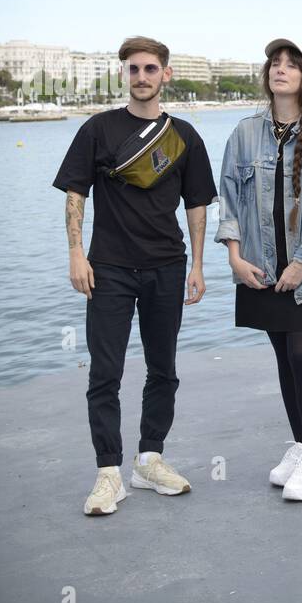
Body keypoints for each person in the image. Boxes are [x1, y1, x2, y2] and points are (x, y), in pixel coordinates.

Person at [53, 36, 218, 516]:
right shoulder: (98, 130)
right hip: (108, 268)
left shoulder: (183, 135)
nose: (141, 77)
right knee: (105, 372)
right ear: (124, 74)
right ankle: (108, 474)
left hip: (167, 266)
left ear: (165, 74)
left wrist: (199, 266)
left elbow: (198, 203)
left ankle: (149, 459)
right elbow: (75, 194)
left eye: (150, 69)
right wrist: (75, 254)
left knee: (163, 368)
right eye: (133, 69)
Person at [215, 39, 302, 502]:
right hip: (259, 268)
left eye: (291, 65)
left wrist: (301, 263)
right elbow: (229, 198)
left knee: (301, 356)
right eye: (275, 64)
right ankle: (300, 446)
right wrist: (234, 257)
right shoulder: (244, 132)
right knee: (282, 359)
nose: (281, 70)